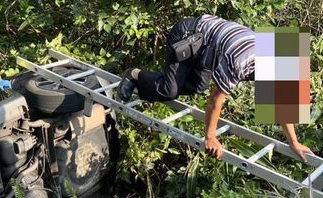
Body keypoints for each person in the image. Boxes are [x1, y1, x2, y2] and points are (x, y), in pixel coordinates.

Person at [118, 14, 313, 162]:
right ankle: (135, 74)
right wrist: (210, 136)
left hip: (207, 47)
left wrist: (294, 142)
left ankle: (160, 81)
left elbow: (280, 103)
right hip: (188, 36)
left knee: (198, 86)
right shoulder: (241, 61)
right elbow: (215, 100)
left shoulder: (278, 55)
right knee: (170, 90)